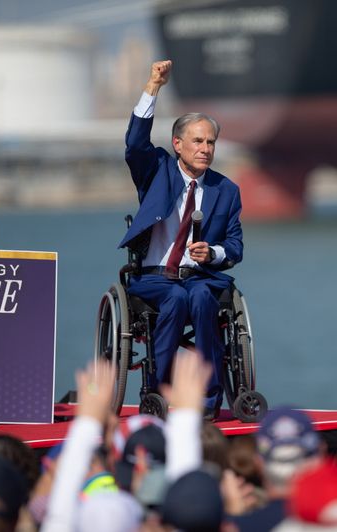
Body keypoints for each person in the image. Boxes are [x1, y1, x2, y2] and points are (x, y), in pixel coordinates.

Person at [119, 59, 244, 419]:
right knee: (174, 297)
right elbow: (134, 144)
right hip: (154, 277)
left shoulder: (227, 190)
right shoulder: (156, 170)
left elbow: (235, 245)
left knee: (203, 298)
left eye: (211, 142)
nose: (205, 148)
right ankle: (161, 392)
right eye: (197, 141)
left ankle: (208, 400)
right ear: (177, 144)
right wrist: (153, 85)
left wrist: (214, 251)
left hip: (201, 277)